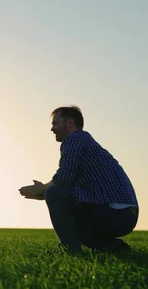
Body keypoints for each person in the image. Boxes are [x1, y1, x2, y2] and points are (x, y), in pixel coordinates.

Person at [19, 106, 139, 254]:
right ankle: (114, 248)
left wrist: (44, 189)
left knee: (55, 193)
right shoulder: (85, 141)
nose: (52, 129)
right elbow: (66, 185)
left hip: (115, 212)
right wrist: (43, 191)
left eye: (55, 123)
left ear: (70, 123)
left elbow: (63, 179)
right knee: (57, 197)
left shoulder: (75, 139)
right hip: (125, 214)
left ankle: (71, 251)